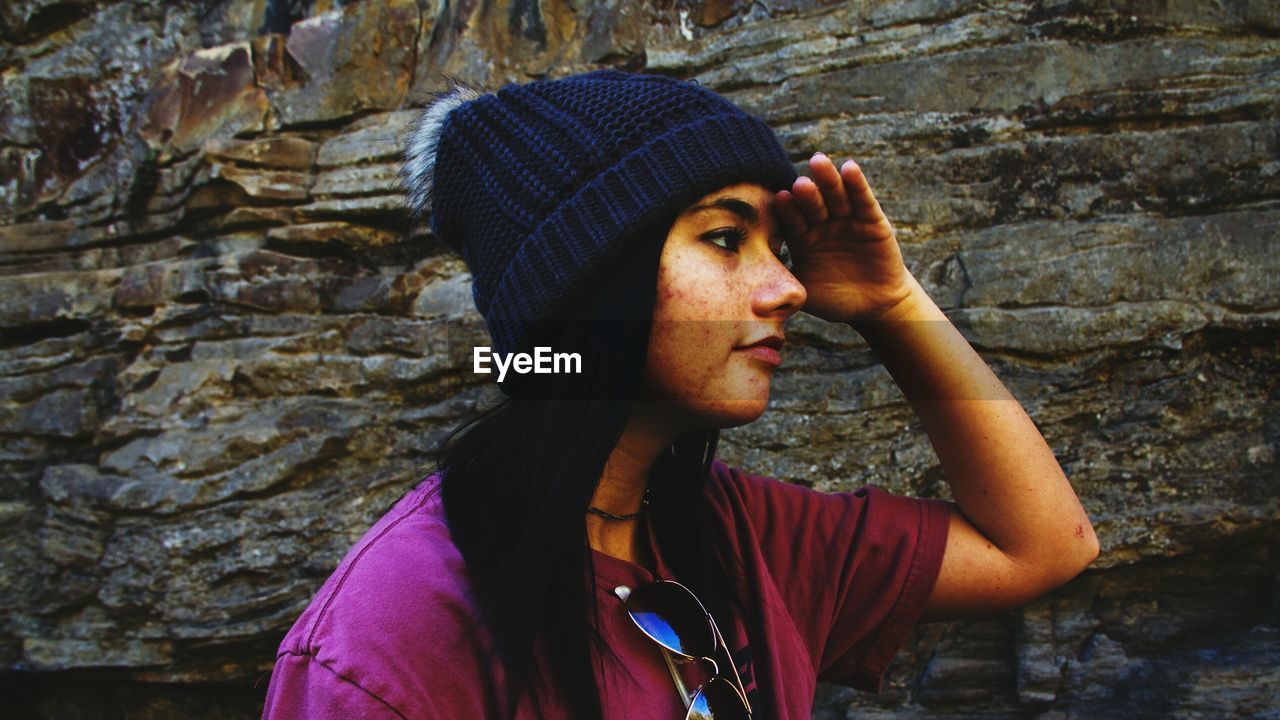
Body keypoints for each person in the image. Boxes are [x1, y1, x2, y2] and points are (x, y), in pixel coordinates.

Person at [259, 69, 1099, 720]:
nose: (789, 289)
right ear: (589, 283)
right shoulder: (386, 646)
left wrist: (895, 306)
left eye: (780, 247)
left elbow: (1043, 547)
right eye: (727, 238)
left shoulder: (745, 538)